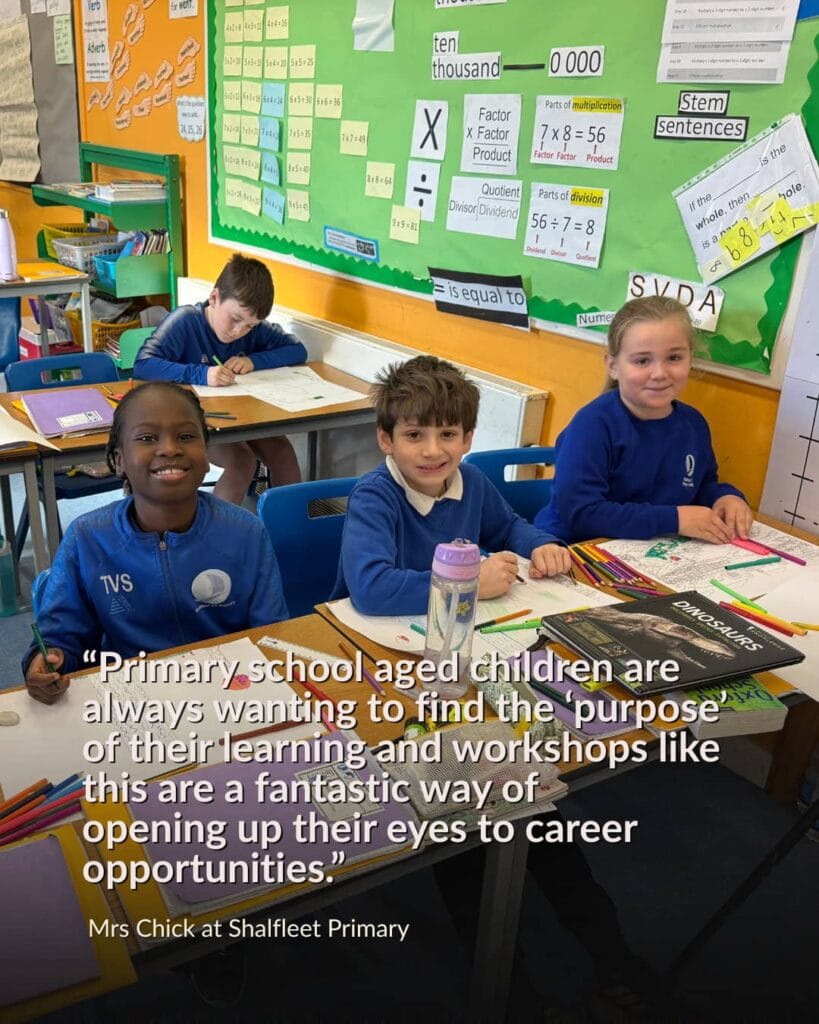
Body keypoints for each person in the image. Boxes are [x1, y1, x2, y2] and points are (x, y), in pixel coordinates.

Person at [23, 381, 288, 703]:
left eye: (187, 437)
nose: (170, 449)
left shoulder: (246, 532)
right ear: (118, 461)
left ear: (207, 456)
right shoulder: (87, 539)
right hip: (131, 695)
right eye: (147, 438)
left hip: (229, 691)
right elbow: (61, 636)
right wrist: (48, 658)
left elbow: (269, 633)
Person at [332, 354, 571, 611]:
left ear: (467, 439)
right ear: (386, 440)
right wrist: (470, 583)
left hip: (447, 622)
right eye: (414, 435)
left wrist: (542, 544)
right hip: (373, 631)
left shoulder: (471, 480)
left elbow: (509, 528)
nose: (432, 450)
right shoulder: (373, 497)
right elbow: (372, 589)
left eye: (447, 434)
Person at [535, 295, 754, 545]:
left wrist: (725, 498)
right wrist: (675, 519)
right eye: (642, 361)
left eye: (674, 358)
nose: (660, 373)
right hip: (573, 550)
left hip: (648, 551)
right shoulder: (593, 426)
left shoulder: (693, 424)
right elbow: (582, 513)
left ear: (690, 358)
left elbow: (700, 486)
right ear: (613, 366)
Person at [134, 253, 307, 504]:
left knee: (283, 453)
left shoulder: (252, 326)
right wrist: (201, 374)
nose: (239, 331)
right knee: (241, 461)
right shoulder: (185, 322)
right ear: (214, 298)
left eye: (249, 326)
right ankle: (221, 537)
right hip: (194, 422)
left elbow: (297, 350)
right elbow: (143, 364)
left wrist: (253, 361)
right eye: (235, 319)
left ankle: (288, 534)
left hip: (242, 415)